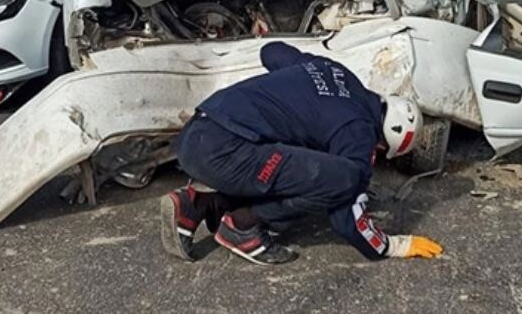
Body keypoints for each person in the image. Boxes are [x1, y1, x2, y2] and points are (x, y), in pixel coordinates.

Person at [161, 42, 444, 265]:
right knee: (344, 178)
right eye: (380, 150)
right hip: (224, 152)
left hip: (196, 133)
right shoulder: (359, 132)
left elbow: (271, 52)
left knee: (296, 162)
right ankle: (242, 226)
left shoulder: (335, 72)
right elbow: (347, 216)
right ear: (386, 139)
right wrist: (393, 246)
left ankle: (197, 205)